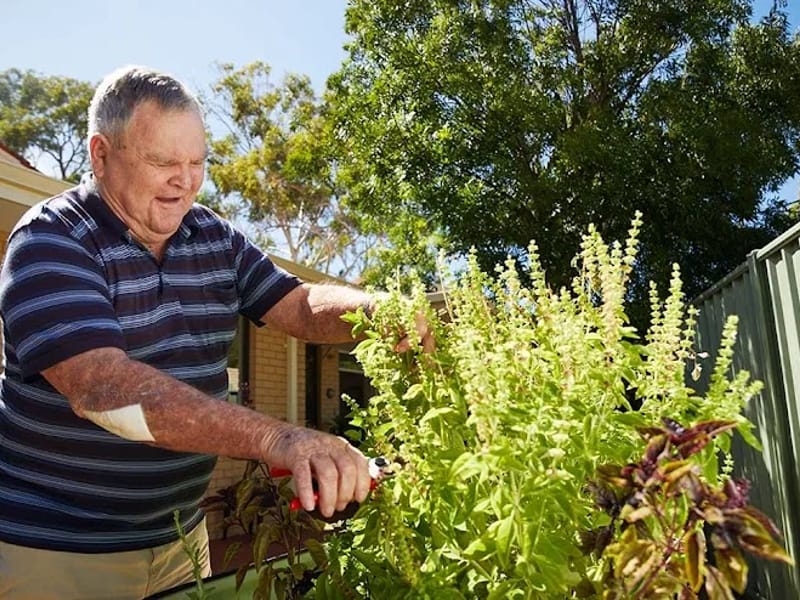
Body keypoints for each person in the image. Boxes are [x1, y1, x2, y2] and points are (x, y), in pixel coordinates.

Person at [0, 65, 430, 600]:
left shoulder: (212, 236)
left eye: (197, 162)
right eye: (163, 162)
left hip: (181, 540)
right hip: (57, 550)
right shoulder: (52, 239)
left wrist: (375, 311)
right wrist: (279, 439)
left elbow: (297, 304)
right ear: (101, 155)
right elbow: (102, 388)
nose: (185, 181)